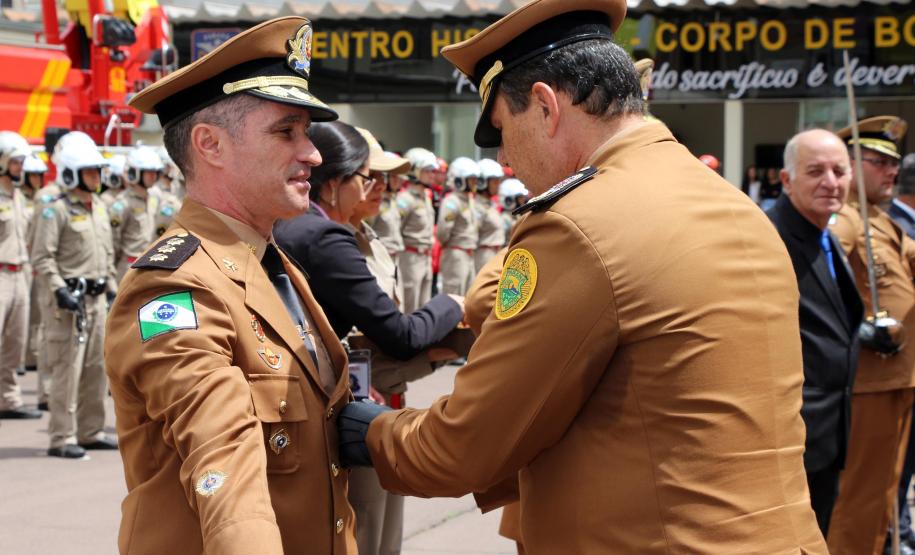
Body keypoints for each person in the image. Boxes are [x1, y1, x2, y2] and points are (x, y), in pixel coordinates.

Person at [337, 1, 826, 552]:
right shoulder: (733, 204)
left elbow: (468, 444)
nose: (504, 160)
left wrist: (373, 431)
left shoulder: (577, 225)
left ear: (545, 106)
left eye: (502, 130)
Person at [104, 17, 358, 553]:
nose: (312, 153)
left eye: (307, 133)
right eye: (286, 131)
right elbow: (222, 460)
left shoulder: (270, 265)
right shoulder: (175, 290)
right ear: (211, 145)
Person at [766, 129, 864, 536]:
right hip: (790, 440)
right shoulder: (770, 237)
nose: (831, 182)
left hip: (828, 436)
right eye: (816, 171)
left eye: (839, 171)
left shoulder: (828, 233)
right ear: (786, 180)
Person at [828, 116, 915, 555]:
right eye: (879, 161)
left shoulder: (887, 222)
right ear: (850, 165)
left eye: (892, 162)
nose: (891, 170)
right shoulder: (844, 221)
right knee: (860, 500)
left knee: (887, 494)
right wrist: (855, 326)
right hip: (870, 380)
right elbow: (815, 277)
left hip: (899, 378)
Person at [30, 132, 117, 456]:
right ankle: (62, 437)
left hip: (96, 300)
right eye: (90, 171)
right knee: (68, 369)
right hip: (70, 303)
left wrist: (111, 291)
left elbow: (106, 255)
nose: (97, 177)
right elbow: (43, 257)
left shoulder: (99, 209)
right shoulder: (56, 210)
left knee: (96, 369)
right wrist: (60, 290)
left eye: (97, 171)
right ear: (70, 173)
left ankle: (90, 431)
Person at [0, 131, 42, 419]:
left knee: (15, 343)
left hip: (20, 273)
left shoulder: (20, 198)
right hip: (1, 273)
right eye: (15, 162)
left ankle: (8, 400)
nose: (20, 168)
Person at [109, 146, 165, 279]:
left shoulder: (155, 196)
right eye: (149, 172)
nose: (154, 176)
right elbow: (113, 242)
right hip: (129, 268)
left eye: (155, 172)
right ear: (135, 173)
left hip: (153, 264)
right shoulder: (122, 204)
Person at [397, 148, 437, 313]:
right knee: (409, 305)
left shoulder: (426, 196)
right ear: (414, 171)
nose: (432, 175)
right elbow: (397, 228)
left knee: (424, 305)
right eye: (427, 171)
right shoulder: (404, 200)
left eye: (432, 171)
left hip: (425, 257)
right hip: (411, 257)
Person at [437, 157, 479, 295]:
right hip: (456, 254)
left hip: (468, 253)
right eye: (471, 179)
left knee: (468, 295)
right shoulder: (452, 201)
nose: (474, 183)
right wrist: (453, 246)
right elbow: (443, 233)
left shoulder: (469, 199)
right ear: (460, 180)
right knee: (453, 293)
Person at [474, 158, 506, 273]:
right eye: (495, 181)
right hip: (483, 256)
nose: (498, 185)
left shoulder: (491, 204)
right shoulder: (476, 206)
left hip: (495, 253)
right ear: (482, 182)